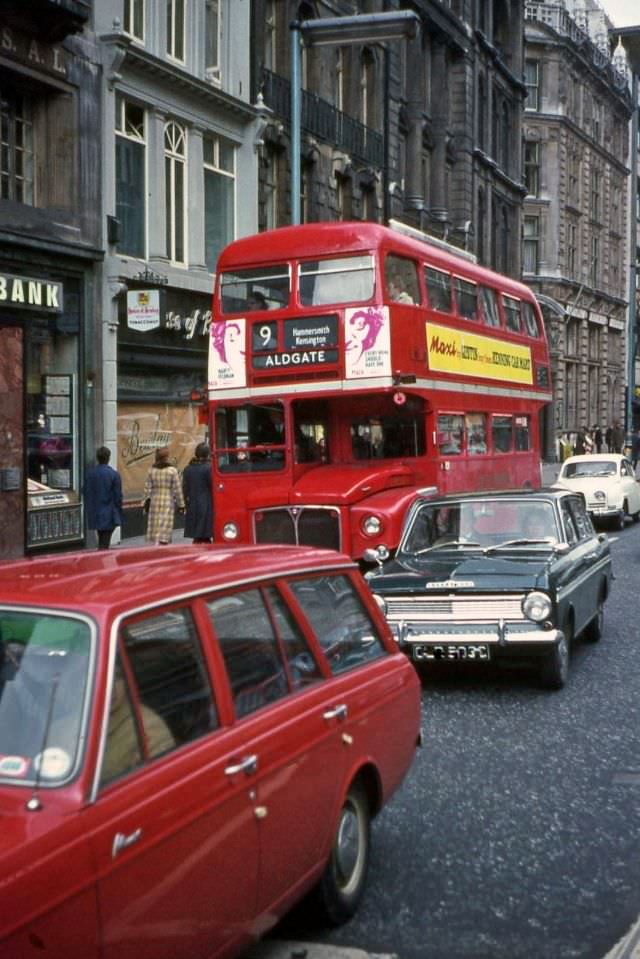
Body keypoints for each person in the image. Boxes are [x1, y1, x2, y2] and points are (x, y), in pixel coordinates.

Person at [143, 447, 185, 545]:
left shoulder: (152, 470)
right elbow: (177, 489)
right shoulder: (172, 471)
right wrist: (181, 505)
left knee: (156, 526)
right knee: (165, 527)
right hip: (167, 500)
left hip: (155, 500)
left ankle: (156, 544)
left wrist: (145, 501)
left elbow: (147, 489)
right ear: (166, 457)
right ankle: (163, 545)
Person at [83, 446, 123, 549]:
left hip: (95, 512)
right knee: (105, 542)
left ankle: (101, 556)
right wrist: (118, 510)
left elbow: (85, 491)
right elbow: (118, 496)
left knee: (102, 539)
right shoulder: (113, 474)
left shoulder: (90, 474)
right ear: (108, 458)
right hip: (109, 513)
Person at [182, 442, 213, 543]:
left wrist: (185, 502)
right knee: (205, 531)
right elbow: (212, 485)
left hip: (192, 502)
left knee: (197, 533)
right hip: (206, 502)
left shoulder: (188, 469)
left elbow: (185, 488)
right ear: (207, 454)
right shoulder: (208, 468)